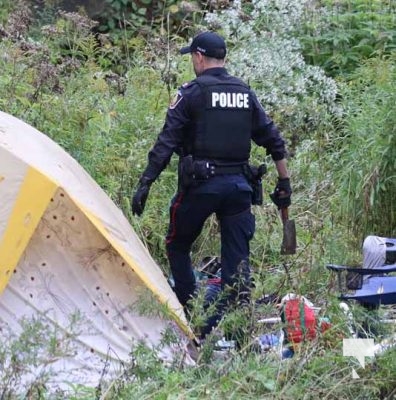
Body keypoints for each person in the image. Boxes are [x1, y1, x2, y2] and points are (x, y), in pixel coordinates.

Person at [132, 31, 292, 338]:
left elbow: (166, 142)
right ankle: (238, 331)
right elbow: (274, 141)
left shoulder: (191, 92)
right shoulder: (244, 92)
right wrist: (284, 182)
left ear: (199, 57)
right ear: (224, 59)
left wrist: (145, 184)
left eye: (192, 56)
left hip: (201, 187)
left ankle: (192, 315)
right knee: (237, 261)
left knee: (177, 244)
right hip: (238, 189)